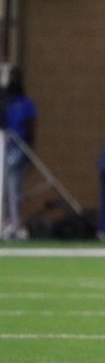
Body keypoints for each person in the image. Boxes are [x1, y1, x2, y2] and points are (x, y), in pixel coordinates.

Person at [1, 67, 37, 240]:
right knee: (7, 189)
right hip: (6, 147)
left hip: (17, 148)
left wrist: (29, 151)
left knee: (14, 189)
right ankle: (8, 223)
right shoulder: (5, 102)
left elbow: (30, 128)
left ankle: (14, 224)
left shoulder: (25, 103)